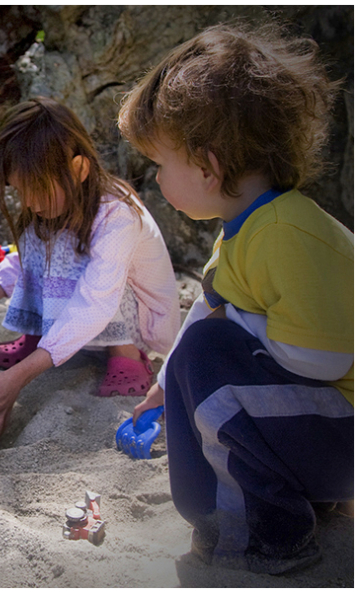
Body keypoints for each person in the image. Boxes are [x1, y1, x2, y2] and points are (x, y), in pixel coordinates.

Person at [118, 23, 353, 575]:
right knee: (195, 357)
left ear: (208, 164)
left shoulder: (285, 233)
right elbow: (211, 305)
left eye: (161, 163)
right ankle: (291, 502)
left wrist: (228, 330)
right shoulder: (243, 230)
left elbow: (323, 359)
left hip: (346, 436)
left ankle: (274, 535)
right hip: (318, 432)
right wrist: (164, 380)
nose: (155, 179)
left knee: (207, 350)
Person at [0, 96, 180, 446]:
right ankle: (37, 337)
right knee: (36, 238)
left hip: (138, 320)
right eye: (19, 190)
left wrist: (21, 377)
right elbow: (23, 258)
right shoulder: (52, 209)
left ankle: (126, 357)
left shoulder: (117, 215)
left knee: (104, 278)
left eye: (36, 189)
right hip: (86, 321)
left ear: (79, 170)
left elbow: (96, 300)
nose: (28, 202)